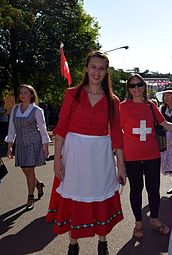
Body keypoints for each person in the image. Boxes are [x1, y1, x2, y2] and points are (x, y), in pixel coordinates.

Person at [46, 51, 126, 255]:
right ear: (86, 69)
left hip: (101, 155)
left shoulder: (112, 100)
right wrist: (57, 160)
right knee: (75, 195)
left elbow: (116, 133)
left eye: (101, 68)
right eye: (93, 67)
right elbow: (62, 128)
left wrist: (121, 165)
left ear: (106, 71)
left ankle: (102, 242)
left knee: (99, 194)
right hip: (75, 154)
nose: (97, 72)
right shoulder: (72, 94)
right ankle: (73, 243)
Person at [120, 74, 172, 239]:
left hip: (152, 155)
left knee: (153, 189)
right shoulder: (123, 107)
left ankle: (155, 219)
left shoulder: (151, 105)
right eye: (132, 86)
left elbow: (164, 124)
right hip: (131, 156)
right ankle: (138, 222)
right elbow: (115, 131)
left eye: (139, 85)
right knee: (136, 190)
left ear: (144, 86)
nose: (136, 88)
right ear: (128, 89)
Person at [4, 85, 50, 211]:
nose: (23, 95)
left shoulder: (37, 110)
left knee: (30, 170)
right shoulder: (15, 109)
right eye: (21, 92)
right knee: (26, 171)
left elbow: (42, 129)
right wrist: (10, 146)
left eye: (26, 92)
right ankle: (38, 185)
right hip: (21, 145)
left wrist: (45, 146)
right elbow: (12, 128)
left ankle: (30, 197)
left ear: (31, 95)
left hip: (33, 143)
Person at [155, 87, 172, 194]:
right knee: (170, 163)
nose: (166, 98)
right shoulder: (161, 109)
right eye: (164, 95)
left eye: (168, 95)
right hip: (165, 141)